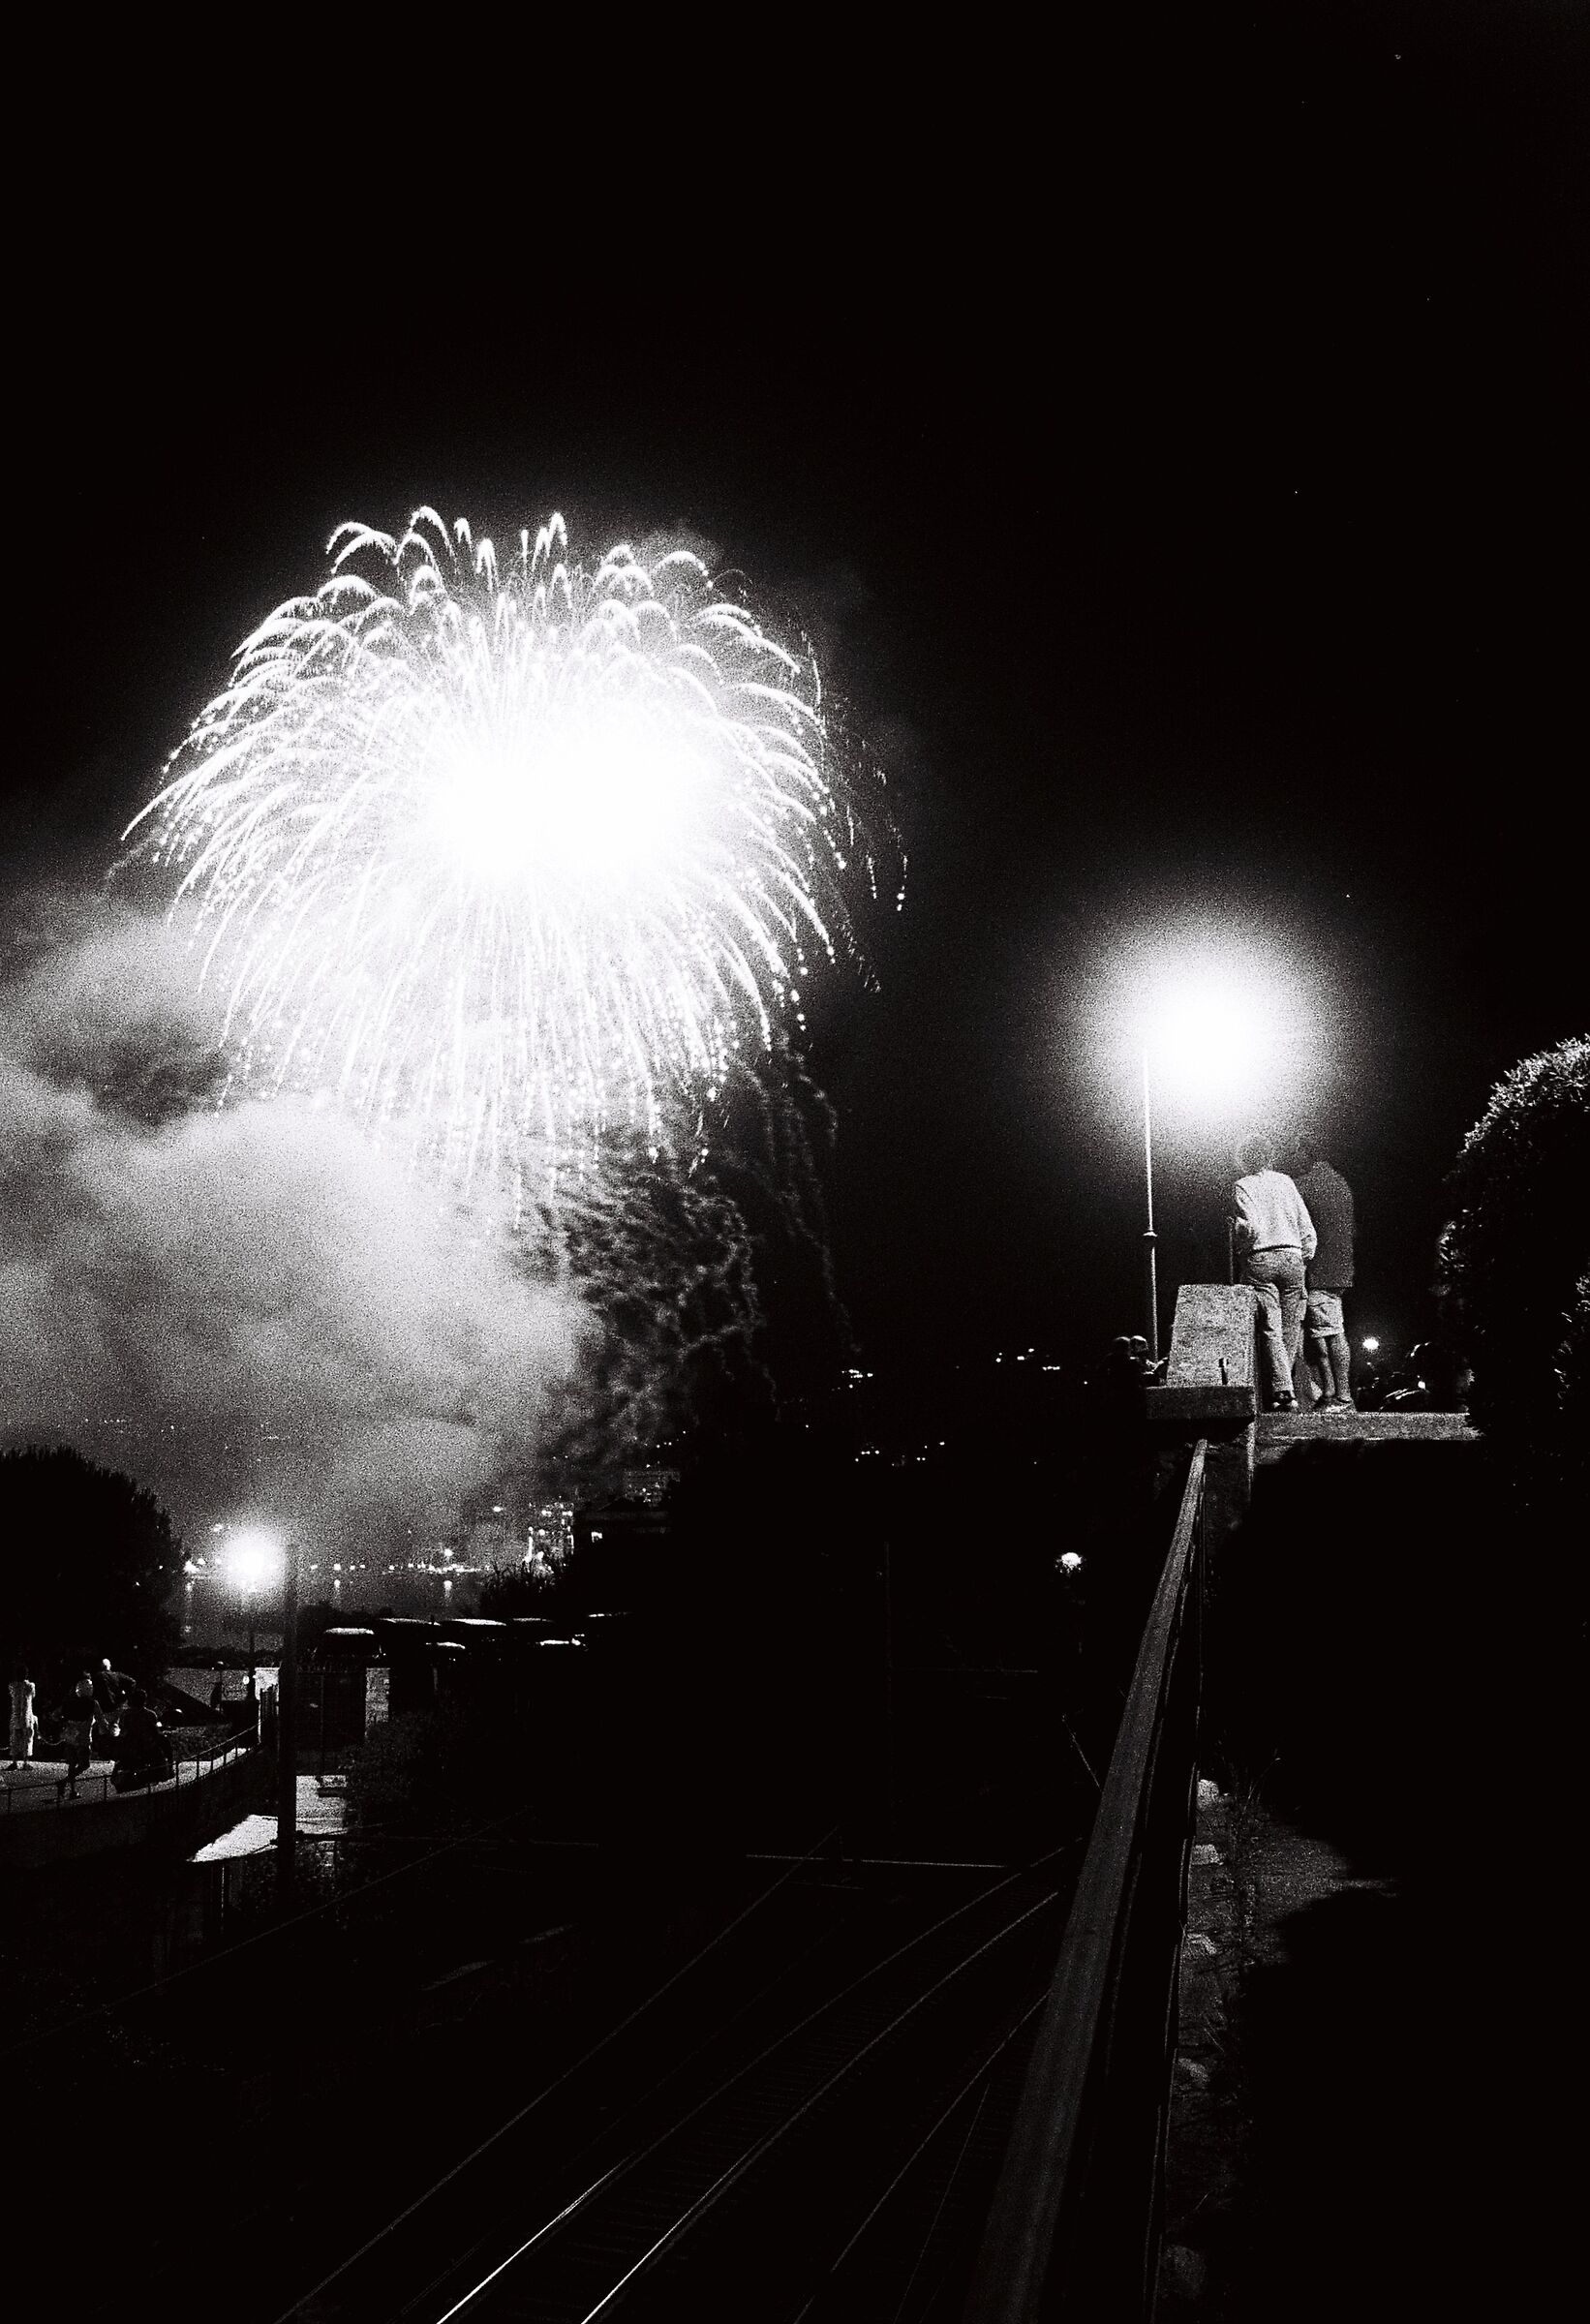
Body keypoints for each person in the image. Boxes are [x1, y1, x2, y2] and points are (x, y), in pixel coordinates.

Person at [1231, 1132, 1316, 1411]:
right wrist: (1305, 1255)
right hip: (1293, 1256)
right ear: (1269, 1157)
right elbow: (1306, 1226)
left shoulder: (1242, 1186)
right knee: (1293, 1327)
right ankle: (1285, 1387)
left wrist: (1238, 1237)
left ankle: (1283, 1391)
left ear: (1243, 1159)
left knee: (1271, 1327)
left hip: (1261, 1259)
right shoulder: (1285, 1181)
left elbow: (1251, 1228)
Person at [1290, 1133, 1358, 1412]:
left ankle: (1342, 1396)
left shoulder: (1306, 1185)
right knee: (1322, 1333)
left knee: (1330, 1334)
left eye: (1295, 1153)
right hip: (1340, 1269)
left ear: (1307, 1153)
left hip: (1320, 1270)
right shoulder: (1340, 1183)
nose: (1291, 1159)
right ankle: (1330, 1393)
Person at [111, 1686, 173, 1791]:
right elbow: (154, 1732)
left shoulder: (125, 1714)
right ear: (144, 1701)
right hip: (145, 1746)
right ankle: (170, 1767)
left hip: (129, 1745)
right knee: (165, 1742)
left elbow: (122, 1728)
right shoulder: (149, 1714)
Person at [58, 1672, 97, 1799]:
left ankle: (72, 1791)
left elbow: (55, 1715)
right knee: (85, 1764)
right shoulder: (93, 1704)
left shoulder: (69, 1703)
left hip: (70, 1738)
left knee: (72, 1764)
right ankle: (64, 1782)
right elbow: (102, 1721)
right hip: (84, 1739)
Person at [8, 1664, 37, 1769]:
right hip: (26, 1716)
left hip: (15, 1716)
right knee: (27, 1738)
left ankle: (14, 1762)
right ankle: (25, 1762)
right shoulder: (30, 1686)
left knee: (15, 1739)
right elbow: (33, 1696)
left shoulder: (12, 1686)